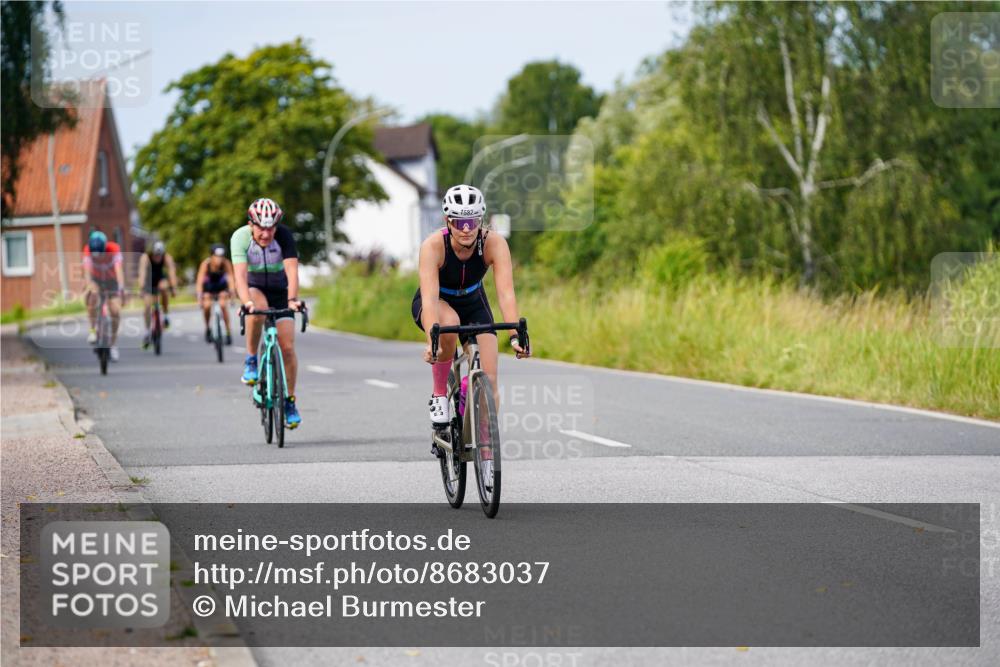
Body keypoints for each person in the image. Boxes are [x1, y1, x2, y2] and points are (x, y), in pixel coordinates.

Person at [412, 184, 529, 436]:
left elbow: (506, 293)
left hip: (474, 302)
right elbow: (430, 299)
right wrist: (431, 342)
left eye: (472, 221)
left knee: (491, 376)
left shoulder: (494, 243)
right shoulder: (433, 246)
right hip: (437, 302)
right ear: (448, 220)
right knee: (449, 322)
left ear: (481, 219)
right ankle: (440, 393)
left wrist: (515, 335)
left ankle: (485, 440)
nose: (466, 229)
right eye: (459, 221)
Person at [231, 197, 304, 428]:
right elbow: (240, 277)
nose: (266, 233)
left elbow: (292, 272)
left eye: (270, 227)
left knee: (288, 347)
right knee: (258, 310)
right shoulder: (240, 238)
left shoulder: (284, 236)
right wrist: (245, 302)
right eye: (261, 228)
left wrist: (292, 300)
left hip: (281, 291)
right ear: (251, 224)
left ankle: (289, 400)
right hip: (255, 288)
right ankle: (251, 359)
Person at [83, 230, 125, 361]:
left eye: (100, 254)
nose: (98, 257)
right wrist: (89, 285)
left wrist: (121, 288)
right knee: (92, 298)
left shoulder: (114, 249)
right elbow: (87, 272)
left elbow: (119, 270)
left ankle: (112, 345)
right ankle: (92, 330)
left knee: (116, 311)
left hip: (111, 280)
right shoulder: (87, 250)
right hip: (96, 279)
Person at [137, 240, 178, 349]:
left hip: (160, 279)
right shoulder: (145, 258)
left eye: (159, 255)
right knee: (147, 306)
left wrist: (173, 288)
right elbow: (142, 273)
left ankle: (165, 315)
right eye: (156, 255)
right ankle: (147, 332)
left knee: (164, 287)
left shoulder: (167, 257)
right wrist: (141, 288)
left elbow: (171, 272)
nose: (158, 257)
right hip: (148, 281)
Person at [195, 244, 236, 344]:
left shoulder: (226, 263)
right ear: (212, 256)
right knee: (207, 306)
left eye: (221, 256)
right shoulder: (206, 264)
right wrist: (200, 296)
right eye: (217, 256)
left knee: (222, 305)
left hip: (221, 287)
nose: (219, 259)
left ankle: (228, 331)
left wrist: (232, 293)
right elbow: (200, 281)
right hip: (209, 288)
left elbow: (231, 279)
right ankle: (208, 327)